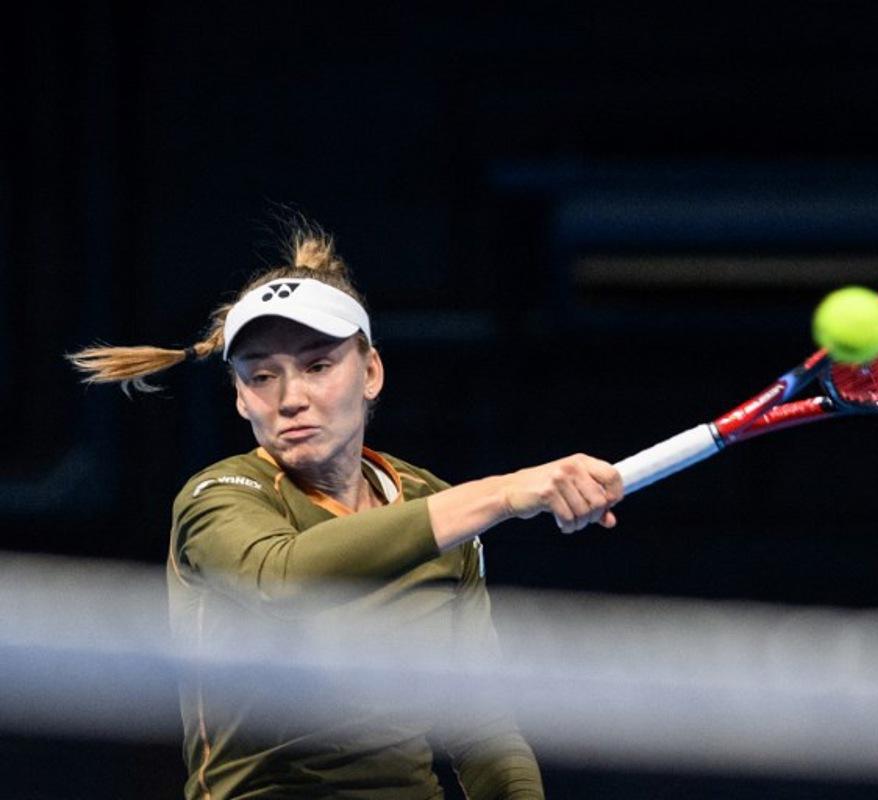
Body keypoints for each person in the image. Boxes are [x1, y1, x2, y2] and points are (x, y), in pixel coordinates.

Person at [67, 228, 624, 799]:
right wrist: (502, 494)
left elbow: (482, 729)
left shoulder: (433, 503)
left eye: (317, 366)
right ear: (239, 397)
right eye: (261, 375)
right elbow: (283, 577)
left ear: (371, 373)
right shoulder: (219, 495)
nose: (289, 398)